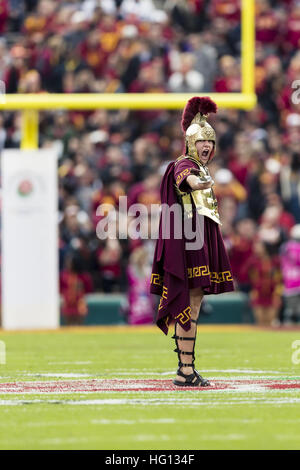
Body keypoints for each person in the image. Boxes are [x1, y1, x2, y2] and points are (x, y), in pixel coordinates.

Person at [150, 96, 234, 387]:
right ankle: (185, 370)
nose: (207, 146)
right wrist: (198, 183)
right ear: (190, 143)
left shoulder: (202, 166)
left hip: (199, 239)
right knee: (190, 302)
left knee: (194, 303)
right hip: (190, 243)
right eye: (201, 141)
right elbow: (185, 178)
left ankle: (186, 368)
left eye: (210, 142)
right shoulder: (184, 163)